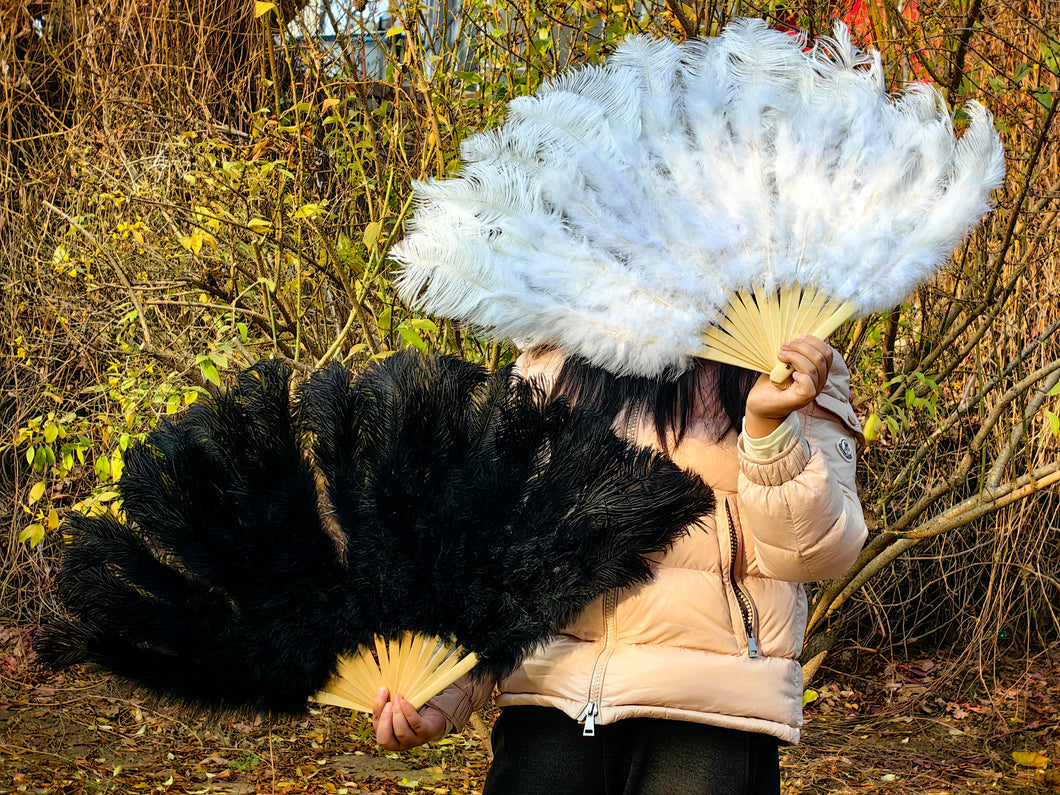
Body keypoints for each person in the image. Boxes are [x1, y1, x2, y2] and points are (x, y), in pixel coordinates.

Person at [371, 335, 868, 794]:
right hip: (549, 704)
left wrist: (767, 434)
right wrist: (442, 688)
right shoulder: (548, 362)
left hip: (710, 714)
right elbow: (497, 551)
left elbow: (815, 554)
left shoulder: (785, 361)